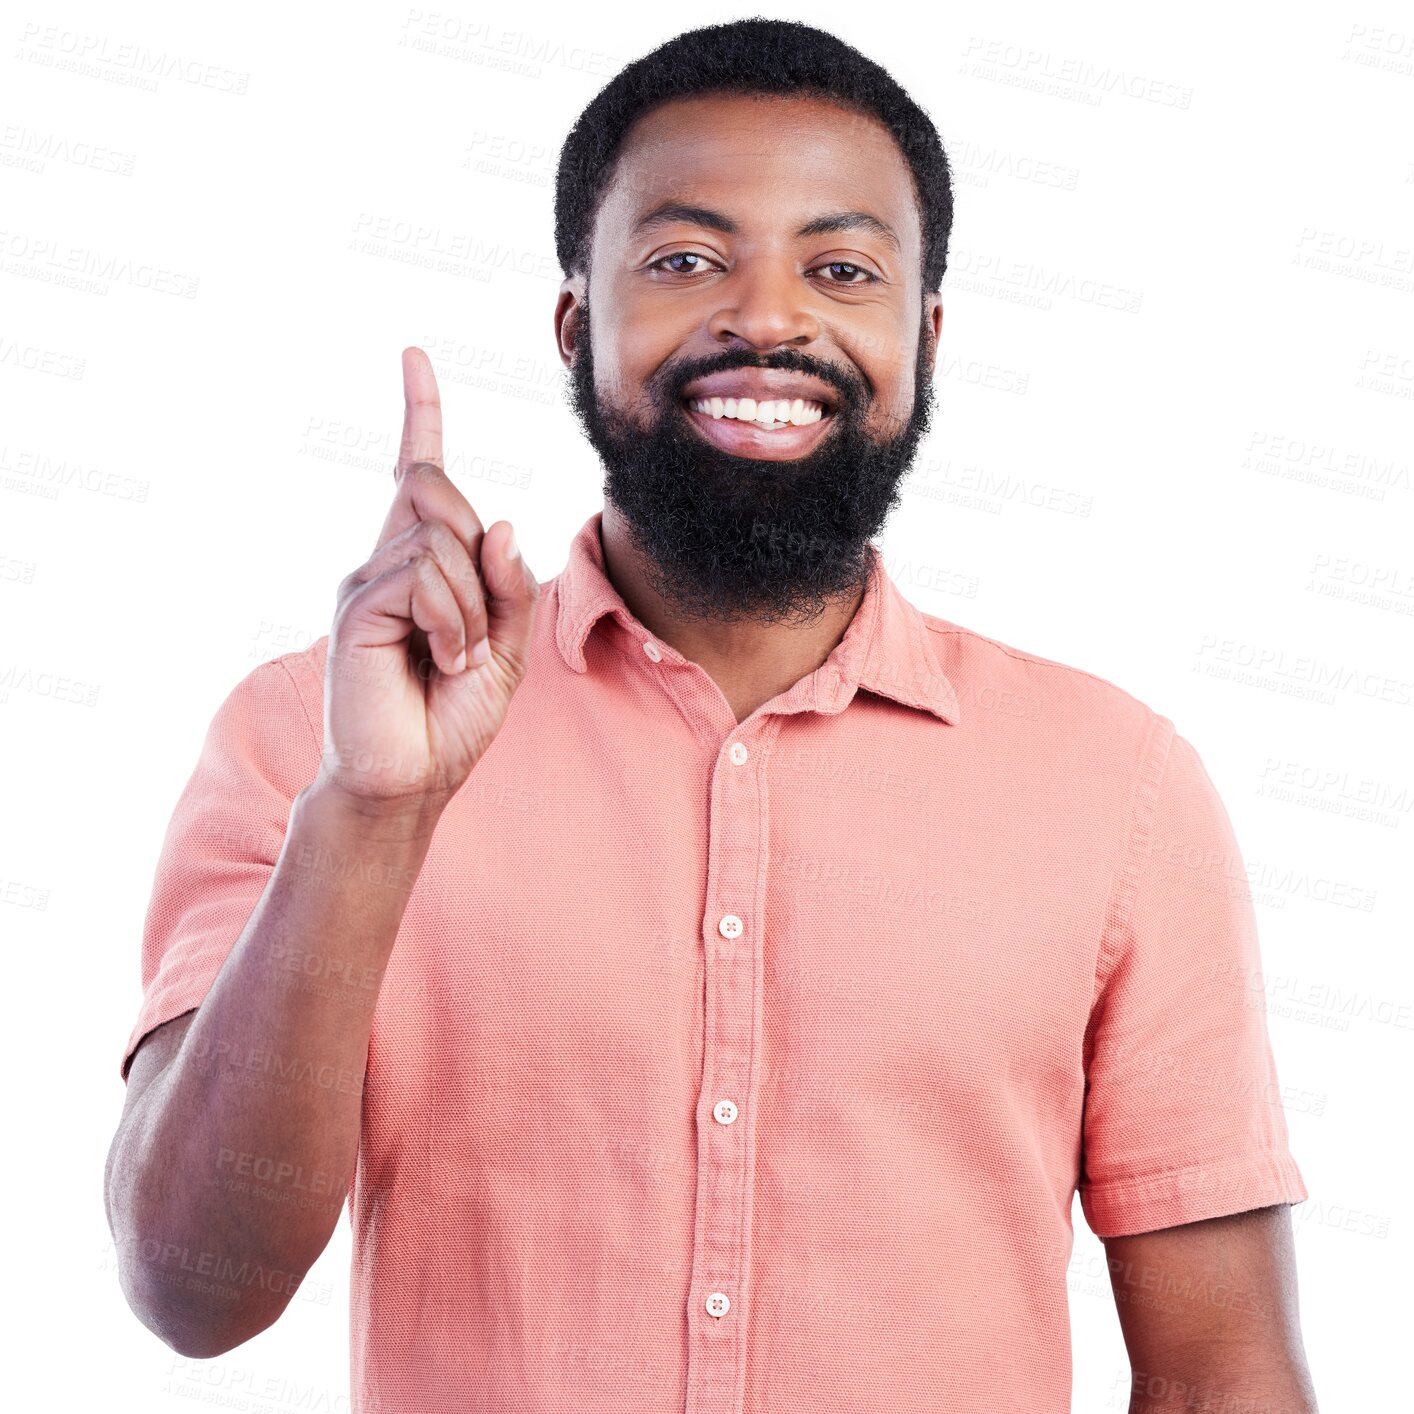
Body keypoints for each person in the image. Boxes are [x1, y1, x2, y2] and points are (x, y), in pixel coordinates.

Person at [105, 18, 1317, 1413]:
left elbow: (1223, 1374)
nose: (769, 316)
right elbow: (189, 1286)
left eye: (841, 267)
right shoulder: (313, 737)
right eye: (684, 260)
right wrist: (368, 817)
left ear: (920, 336)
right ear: (577, 322)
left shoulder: (1119, 786)